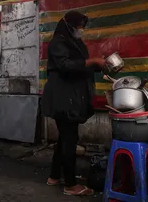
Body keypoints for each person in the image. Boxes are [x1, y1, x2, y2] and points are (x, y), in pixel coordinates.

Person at [41, 10, 106, 196]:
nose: (81, 30)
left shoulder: (73, 43)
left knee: (64, 138)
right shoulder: (58, 43)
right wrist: (93, 60)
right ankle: (70, 185)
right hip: (63, 97)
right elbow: (66, 66)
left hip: (70, 96)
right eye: (78, 26)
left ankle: (54, 176)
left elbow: (79, 65)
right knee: (69, 138)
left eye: (82, 27)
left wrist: (98, 65)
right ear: (68, 25)